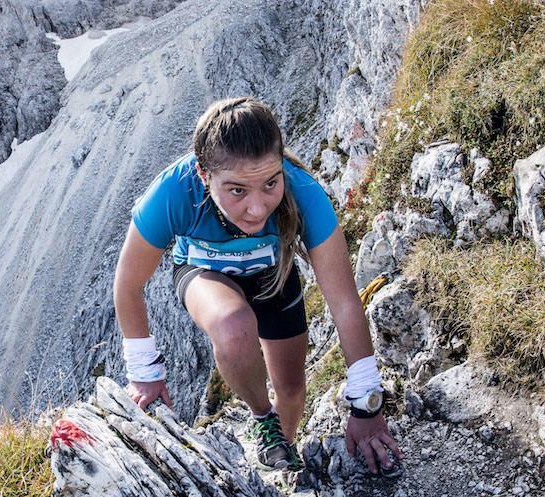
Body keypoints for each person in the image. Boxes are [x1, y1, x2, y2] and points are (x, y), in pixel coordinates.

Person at [112, 96, 405, 473]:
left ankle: (281, 454)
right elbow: (128, 283)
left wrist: (368, 405)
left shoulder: (305, 194)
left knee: (292, 390)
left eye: (270, 184)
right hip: (204, 273)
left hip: (273, 275)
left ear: (282, 165)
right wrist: (145, 374)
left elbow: (345, 303)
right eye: (237, 190)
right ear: (204, 175)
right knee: (233, 329)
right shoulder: (174, 191)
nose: (256, 208)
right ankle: (262, 419)